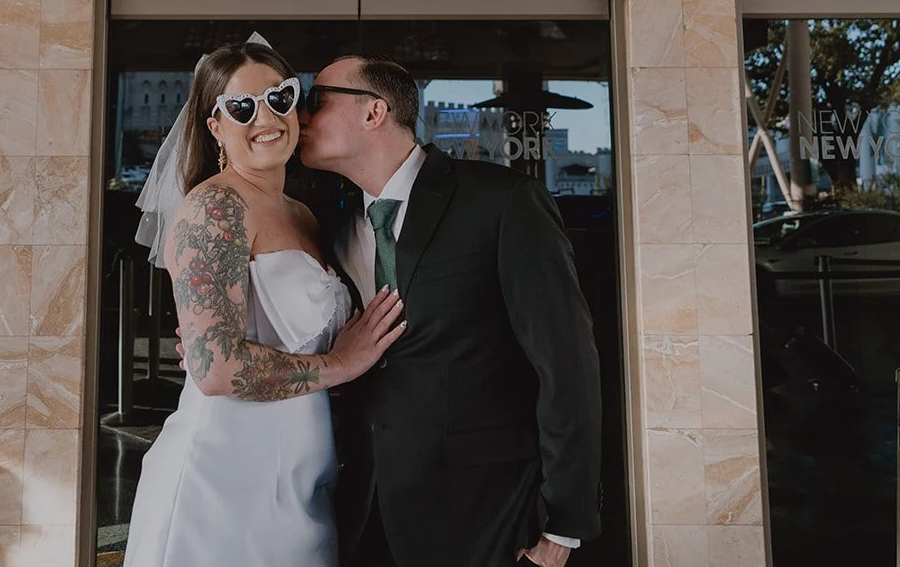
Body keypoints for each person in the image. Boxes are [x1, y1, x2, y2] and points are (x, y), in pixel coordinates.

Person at [299, 55, 605, 567]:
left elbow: (567, 364)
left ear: (374, 112)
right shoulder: (331, 228)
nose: (301, 117)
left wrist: (565, 525)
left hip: (488, 513)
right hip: (361, 512)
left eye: (317, 101)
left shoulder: (503, 202)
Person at [124, 40, 405, 567]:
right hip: (226, 476)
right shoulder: (215, 208)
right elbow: (215, 369)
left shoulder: (304, 215)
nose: (265, 118)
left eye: (279, 98)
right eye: (241, 107)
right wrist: (342, 363)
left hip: (302, 474)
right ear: (216, 127)